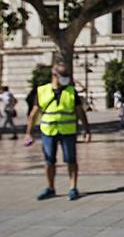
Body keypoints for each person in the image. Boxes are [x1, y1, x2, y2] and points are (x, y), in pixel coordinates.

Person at [24, 63, 92, 201]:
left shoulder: (71, 92)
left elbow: (80, 113)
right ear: (54, 75)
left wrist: (87, 130)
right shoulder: (42, 91)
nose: (66, 79)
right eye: (64, 76)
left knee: (71, 160)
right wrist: (28, 133)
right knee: (49, 161)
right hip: (48, 131)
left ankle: (73, 188)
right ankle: (50, 188)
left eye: (67, 76)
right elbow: (34, 114)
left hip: (68, 131)